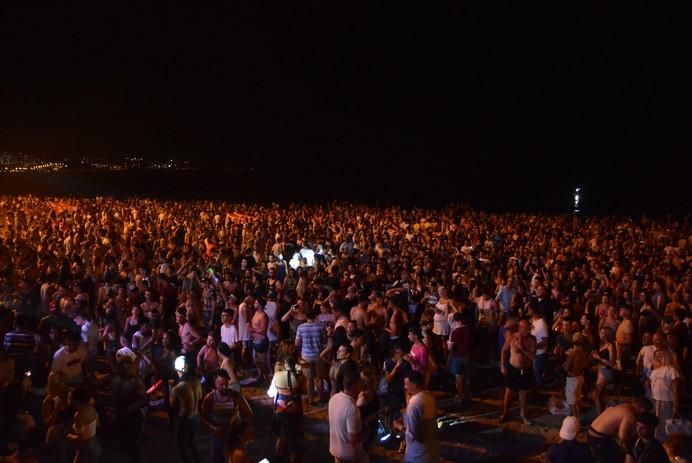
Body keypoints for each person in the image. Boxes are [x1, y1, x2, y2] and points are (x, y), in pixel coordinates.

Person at [201, 370, 252, 463]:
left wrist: (239, 427)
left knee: (237, 458)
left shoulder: (235, 396)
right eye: (221, 384)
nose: (225, 387)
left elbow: (249, 414)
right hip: (218, 431)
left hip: (233, 431)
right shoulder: (210, 398)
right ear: (215, 385)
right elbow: (203, 416)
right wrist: (213, 427)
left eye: (226, 384)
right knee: (216, 458)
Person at [587, 397, 653, 463]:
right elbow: (623, 436)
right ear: (643, 410)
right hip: (598, 439)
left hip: (592, 433)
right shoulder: (630, 414)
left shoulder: (623, 406)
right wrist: (629, 453)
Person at [394, 370, 439, 463]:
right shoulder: (430, 397)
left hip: (417, 455)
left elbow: (413, 434)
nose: (404, 387)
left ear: (414, 385)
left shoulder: (414, 404)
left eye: (406, 384)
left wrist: (399, 426)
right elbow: (425, 420)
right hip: (432, 452)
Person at [111, 356, 148, 463]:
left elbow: (144, 400)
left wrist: (131, 407)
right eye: (121, 366)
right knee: (124, 437)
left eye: (125, 367)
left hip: (135, 415)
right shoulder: (115, 378)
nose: (122, 369)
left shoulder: (136, 381)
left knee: (133, 445)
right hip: (121, 413)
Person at [499, 319, 536, 425]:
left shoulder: (532, 339)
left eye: (529, 327)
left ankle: (523, 415)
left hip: (525, 370)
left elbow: (532, 356)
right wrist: (502, 365)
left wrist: (522, 348)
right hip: (513, 369)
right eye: (525, 328)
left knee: (523, 393)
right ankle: (505, 412)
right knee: (509, 392)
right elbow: (503, 351)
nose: (528, 330)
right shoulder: (512, 337)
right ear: (520, 328)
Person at [271, 344, 304, 463]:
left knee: (281, 436)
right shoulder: (296, 372)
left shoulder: (278, 372)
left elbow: (274, 387)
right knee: (294, 442)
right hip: (293, 408)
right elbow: (302, 389)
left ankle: (279, 458)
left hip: (279, 407)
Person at [169, 355, 203, 463]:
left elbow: (172, 403)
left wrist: (170, 387)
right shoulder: (197, 381)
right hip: (196, 416)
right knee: (192, 442)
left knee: (181, 444)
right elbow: (201, 397)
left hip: (184, 418)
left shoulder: (178, 387)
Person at [328, 366, 364, 463]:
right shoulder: (351, 408)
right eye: (360, 383)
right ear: (354, 386)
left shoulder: (333, 399)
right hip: (348, 455)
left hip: (335, 451)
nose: (362, 386)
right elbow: (353, 438)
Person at [66, 387, 101, 463]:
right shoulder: (91, 407)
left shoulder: (78, 415)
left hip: (86, 448)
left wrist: (70, 436)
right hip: (95, 444)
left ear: (77, 401)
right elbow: (98, 424)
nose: (67, 399)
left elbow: (80, 439)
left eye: (69, 398)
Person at [563, 332, 589, 420]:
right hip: (580, 378)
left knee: (571, 402)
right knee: (578, 400)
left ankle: (575, 420)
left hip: (572, 379)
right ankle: (579, 417)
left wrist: (564, 364)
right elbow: (585, 366)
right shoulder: (583, 353)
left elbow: (567, 368)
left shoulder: (572, 353)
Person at [447, 312, 471, 402]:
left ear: (456, 320)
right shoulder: (468, 329)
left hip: (457, 356)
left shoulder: (454, 332)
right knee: (467, 376)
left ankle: (460, 396)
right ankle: (467, 395)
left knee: (458, 377)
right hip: (467, 355)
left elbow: (450, 347)